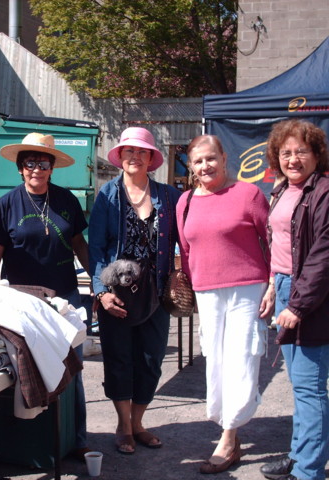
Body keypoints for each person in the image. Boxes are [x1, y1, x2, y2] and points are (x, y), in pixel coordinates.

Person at [0, 131, 91, 460]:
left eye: (43, 162)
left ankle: (76, 436)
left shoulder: (67, 201)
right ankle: (30, 442)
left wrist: (99, 282)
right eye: (30, 162)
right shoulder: (5, 205)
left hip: (65, 299)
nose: (36, 169)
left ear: (52, 167)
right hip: (21, 303)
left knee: (70, 368)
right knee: (25, 371)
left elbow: (79, 246)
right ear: (20, 167)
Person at [176, 134, 272, 474]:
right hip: (207, 290)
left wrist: (273, 284)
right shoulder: (184, 201)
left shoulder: (249, 193)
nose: (205, 166)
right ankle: (227, 426)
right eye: (198, 161)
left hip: (247, 287)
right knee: (215, 361)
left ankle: (229, 438)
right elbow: (186, 251)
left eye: (210, 158)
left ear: (224, 158)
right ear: (191, 166)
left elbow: (273, 240)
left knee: (242, 357)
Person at [89, 127, 181, 454]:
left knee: (152, 360)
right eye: (129, 151)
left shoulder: (169, 195)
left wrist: (180, 273)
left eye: (142, 152)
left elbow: (185, 238)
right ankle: (123, 425)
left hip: (156, 292)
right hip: (118, 292)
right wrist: (101, 291)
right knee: (118, 361)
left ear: (152, 158)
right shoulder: (107, 195)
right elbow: (96, 247)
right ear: (121, 156)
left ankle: (139, 421)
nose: (135, 156)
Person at [259, 119, 329, 480]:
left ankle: (308, 472)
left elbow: (323, 256)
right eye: (285, 152)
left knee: (310, 387)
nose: (293, 158)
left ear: (317, 154)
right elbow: (280, 247)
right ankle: (300, 457)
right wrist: (274, 286)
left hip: (311, 297)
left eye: (301, 151)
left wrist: (297, 305)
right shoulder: (283, 190)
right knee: (301, 386)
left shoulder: (324, 193)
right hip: (287, 287)